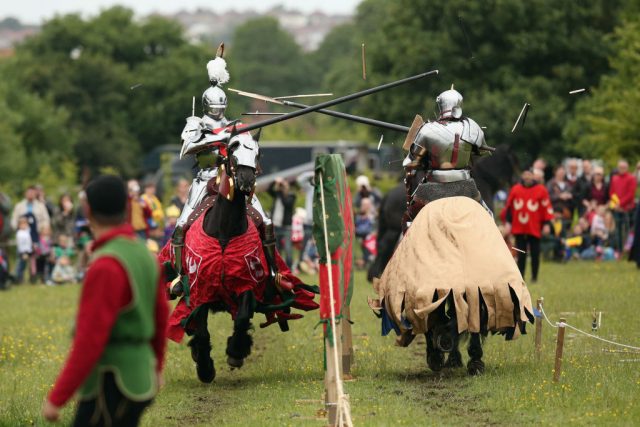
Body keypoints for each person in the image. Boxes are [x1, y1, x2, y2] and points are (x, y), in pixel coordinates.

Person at [42, 175, 168, 426]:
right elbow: (161, 317)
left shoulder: (105, 265)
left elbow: (90, 339)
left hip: (112, 381)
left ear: (88, 210)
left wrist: (57, 398)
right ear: (127, 208)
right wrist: (156, 366)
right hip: (139, 377)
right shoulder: (144, 254)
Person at [501, 170, 554, 282]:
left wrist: (546, 224)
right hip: (519, 228)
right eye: (525, 175)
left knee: (535, 253)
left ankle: (534, 277)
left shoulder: (541, 190)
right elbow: (509, 208)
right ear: (522, 176)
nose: (527, 178)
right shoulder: (515, 189)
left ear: (533, 177)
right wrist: (508, 223)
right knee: (521, 253)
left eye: (529, 175)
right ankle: (521, 277)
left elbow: (546, 207)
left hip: (534, 227)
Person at [609, 159, 637, 253]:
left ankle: (629, 251)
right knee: (618, 230)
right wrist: (616, 204)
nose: (622, 169)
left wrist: (620, 204)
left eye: (624, 167)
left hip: (628, 209)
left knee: (628, 230)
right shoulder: (614, 178)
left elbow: (630, 194)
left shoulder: (631, 178)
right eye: (620, 167)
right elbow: (612, 193)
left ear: (627, 168)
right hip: (617, 209)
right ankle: (620, 250)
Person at [268, 177, 296, 267]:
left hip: (286, 227)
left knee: (288, 249)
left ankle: (290, 268)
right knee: (277, 249)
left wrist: (283, 189)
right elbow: (269, 190)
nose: (283, 187)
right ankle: (279, 267)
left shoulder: (291, 196)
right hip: (276, 226)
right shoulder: (278, 194)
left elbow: (286, 203)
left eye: (285, 185)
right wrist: (275, 181)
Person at [547, 165, 573, 232]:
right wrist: (559, 196)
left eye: (563, 172)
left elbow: (573, 196)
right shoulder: (550, 184)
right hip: (554, 212)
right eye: (560, 172)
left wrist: (569, 196)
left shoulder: (568, 184)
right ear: (555, 172)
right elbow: (548, 197)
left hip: (566, 213)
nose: (562, 173)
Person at [14, 216, 34, 284]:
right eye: (22, 224)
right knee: (20, 266)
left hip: (27, 251)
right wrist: (23, 253)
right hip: (22, 251)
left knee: (24, 266)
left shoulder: (26, 231)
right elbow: (21, 244)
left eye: (25, 224)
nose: (24, 225)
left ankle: (22, 278)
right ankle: (18, 279)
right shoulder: (20, 233)